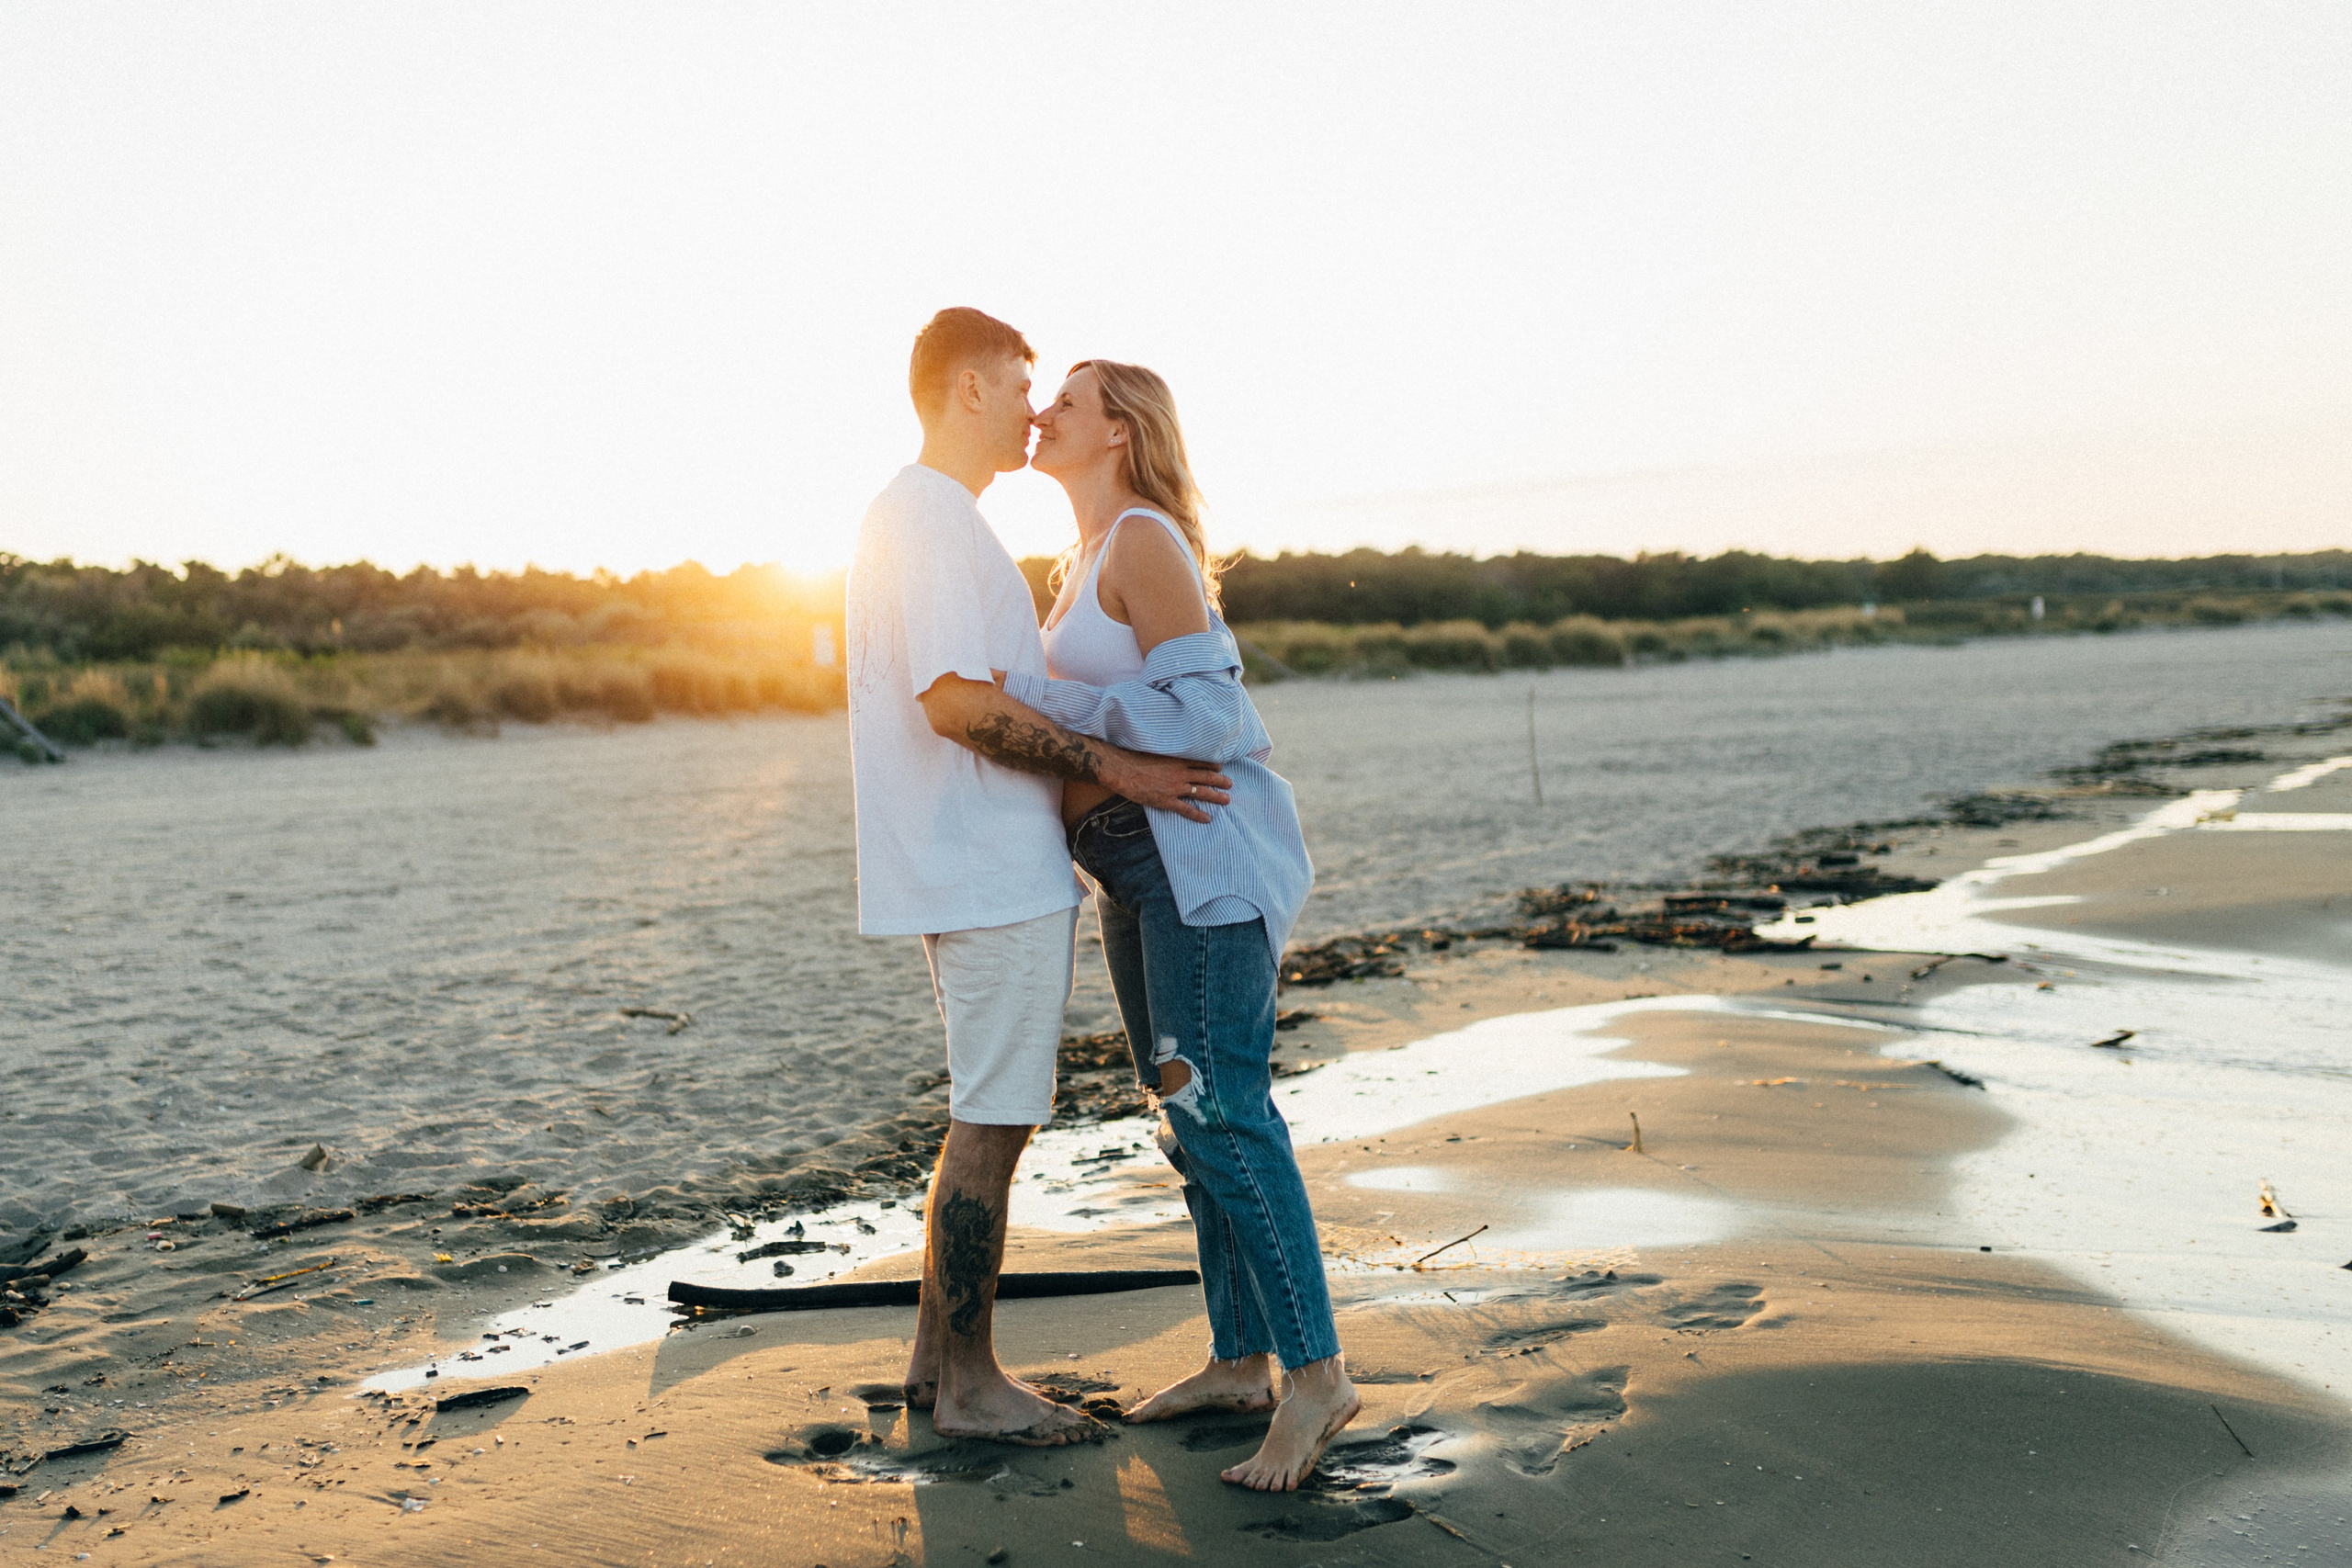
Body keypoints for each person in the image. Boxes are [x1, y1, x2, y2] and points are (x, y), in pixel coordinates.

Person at [845, 310, 1233, 1447]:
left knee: (987, 1110)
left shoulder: (929, 520)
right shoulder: (928, 521)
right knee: (996, 1123)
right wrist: (1123, 769)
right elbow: (957, 702)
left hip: (972, 863)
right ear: (969, 388)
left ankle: (933, 1365)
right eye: (1020, 383)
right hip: (984, 869)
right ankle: (971, 1385)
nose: (1032, 406)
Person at [1011, 358, 1359, 1491]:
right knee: (1186, 1121)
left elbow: (1215, 718)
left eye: (1062, 401)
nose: (1039, 414)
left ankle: (1317, 1378)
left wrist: (1062, 716)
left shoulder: (1144, 540)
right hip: (1134, 870)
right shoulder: (1084, 561)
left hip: (1196, 866)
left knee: (1222, 1111)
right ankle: (1237, 1358)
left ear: (1117, 430)